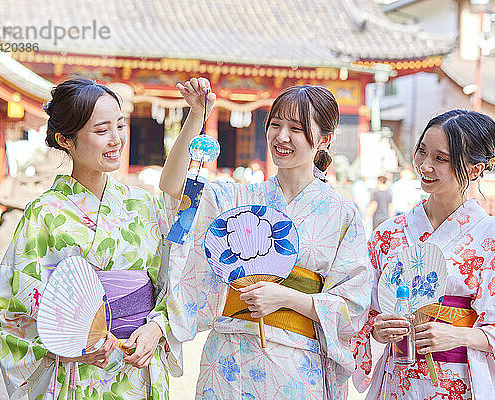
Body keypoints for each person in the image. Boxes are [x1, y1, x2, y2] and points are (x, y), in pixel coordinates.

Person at [159, 78, 372, 399]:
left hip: (298, 363)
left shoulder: (343, 213)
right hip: (229, 359)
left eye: (297, 129)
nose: (282, 137)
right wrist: (197, 115)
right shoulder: (237, 196)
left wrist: (286, 298)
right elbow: (174, 185)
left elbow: (353, 307)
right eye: (275, 125)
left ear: (324, 140)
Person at [0, 78, 175, 400]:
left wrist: (157, 328)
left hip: (137, 363)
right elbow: (7, 310)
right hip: (75, 368)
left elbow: (173, 283)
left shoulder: (145, 205)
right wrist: (66, 348)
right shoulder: (44, 214)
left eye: (120, 126)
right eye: (102, 131)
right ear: (65, 140)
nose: (116, 139)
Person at [351, 110, 495, 399]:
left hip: (460, 382)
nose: (425, 166)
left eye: (441, 159)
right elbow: (360, 313)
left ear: (474, 170)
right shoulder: (387, 235)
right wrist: (378, 330)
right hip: (396, 381)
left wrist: (459, 335)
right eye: (422, 152)